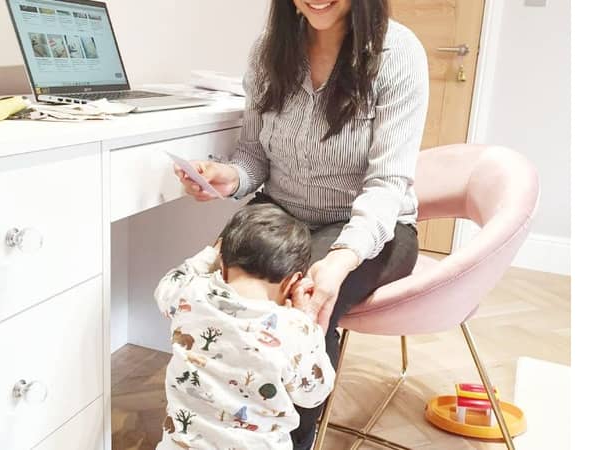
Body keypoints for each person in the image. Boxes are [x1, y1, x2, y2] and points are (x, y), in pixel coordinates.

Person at [173, 0, 428, 447]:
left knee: (304, 303)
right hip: (280, 211)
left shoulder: (397, 53)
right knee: (211, 291)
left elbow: (388, 184)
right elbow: (253, 157)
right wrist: (226, 178)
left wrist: (341, 260)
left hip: (369, 226)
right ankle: (205, 430)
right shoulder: (268, 52)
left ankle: (292, 439)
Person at [154, 204, 335, 450]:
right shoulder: (295, 327)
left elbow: (166, 285)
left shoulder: (190, 293)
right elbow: (314, 393)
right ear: (292, 281)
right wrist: (308, 322)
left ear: (223, 264)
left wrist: (210, 254)